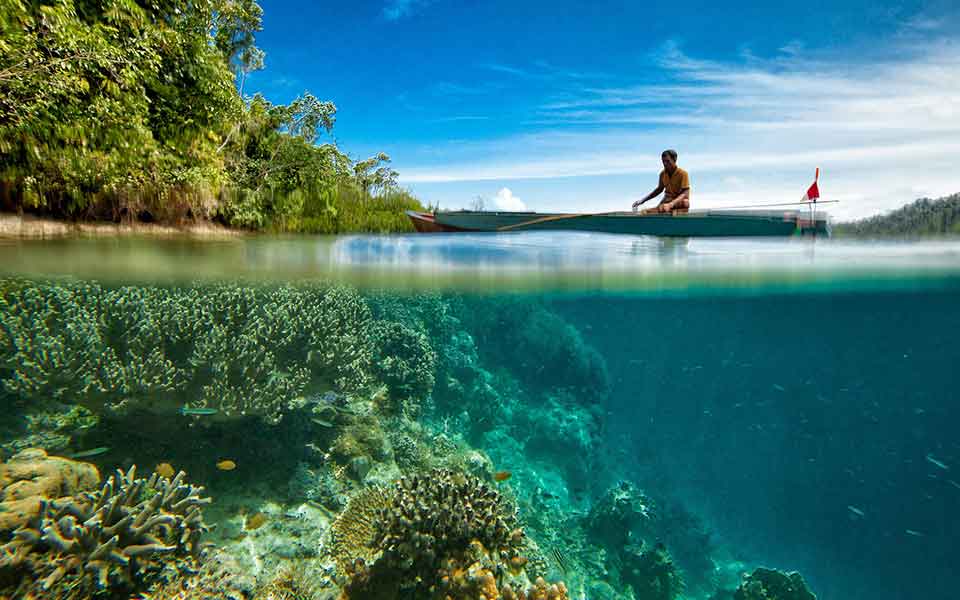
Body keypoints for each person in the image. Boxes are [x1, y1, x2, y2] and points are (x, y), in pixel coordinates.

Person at [632, 149, 690, 214]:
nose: (665, 164)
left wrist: (671, 204)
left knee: (685, 202)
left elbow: (685, 193)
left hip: (678, 203)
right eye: (663, 161)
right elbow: (659, 189)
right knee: (650, 212)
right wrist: (642, 201)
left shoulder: (683, 174)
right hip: (666, 202)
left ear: (674, 160)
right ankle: (659, 211)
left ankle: (670, 211)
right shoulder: (662, 174)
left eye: (668, 161)